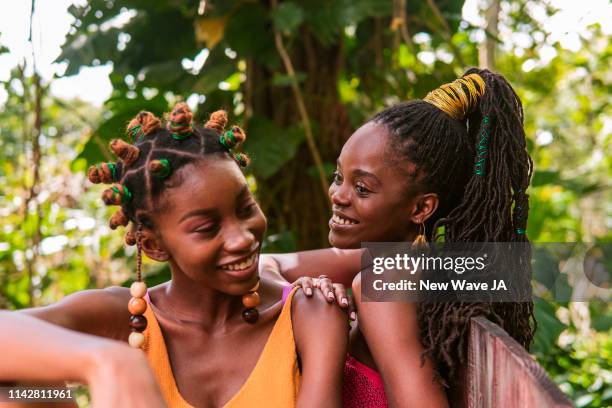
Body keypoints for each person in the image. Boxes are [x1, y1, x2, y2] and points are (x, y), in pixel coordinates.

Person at [0, 104, 348, 408]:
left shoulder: (303, 309)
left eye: (246, 208)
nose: (242, 238)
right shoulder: (124, 319)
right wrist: (108, 364)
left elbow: (395, 265)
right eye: (206, 228)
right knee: (17, 394)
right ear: (153, 246)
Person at [262, 68, 536, 407]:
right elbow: (262, 265)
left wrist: (310, 308)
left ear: (421, 208)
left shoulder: (385, 282)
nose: (337, 194)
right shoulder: (407, 264)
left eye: (361, 188)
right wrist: (304, 291)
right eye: (339, 176)